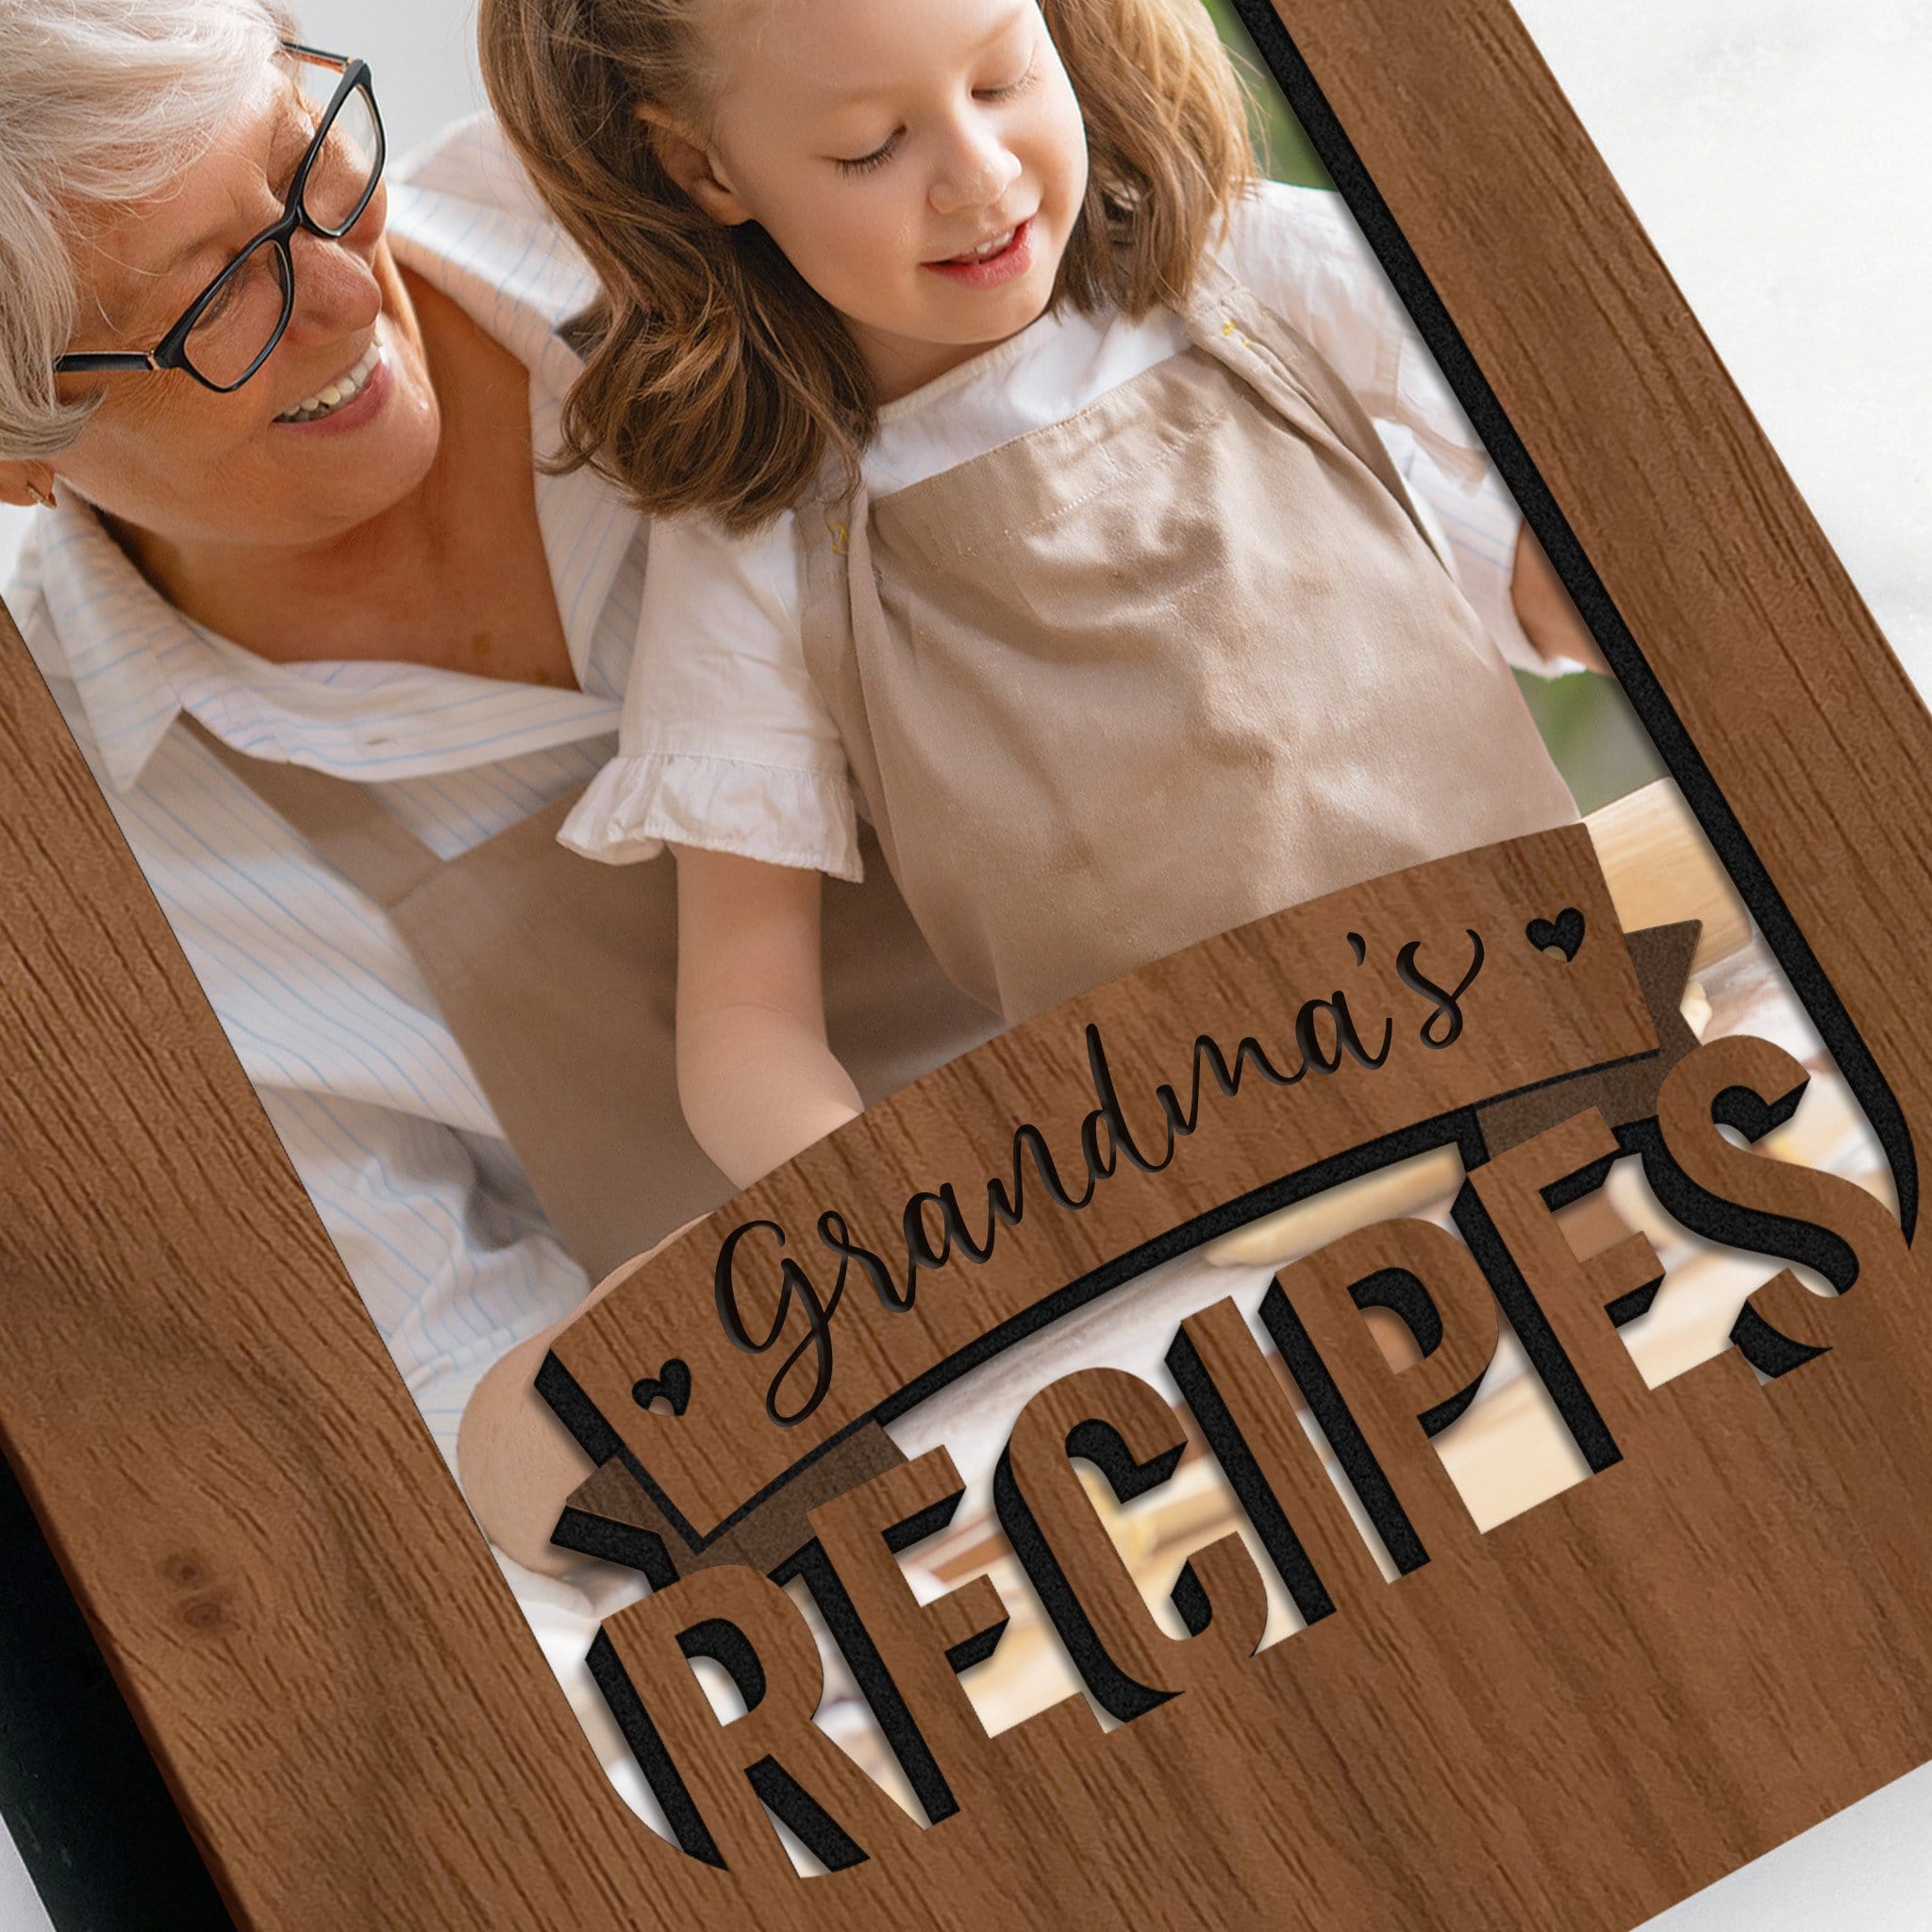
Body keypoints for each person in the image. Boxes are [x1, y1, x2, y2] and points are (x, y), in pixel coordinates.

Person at [0, 0, 1002, 1580]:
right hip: (894, 1517)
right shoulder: (89, 896)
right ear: (21, 451)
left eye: (308, 164)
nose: (342, 287)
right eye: (213, 304)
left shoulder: (730, 184)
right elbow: (450, 1388)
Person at [480, 0, 1607, 1193]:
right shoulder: (760, 539)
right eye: (871, 145)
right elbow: (743, 1028)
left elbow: (1573, 567)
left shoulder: (1255, 269)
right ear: (702, 168)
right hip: (1229, 1208)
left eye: (1005, 77)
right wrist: (910, 1217)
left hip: (1573, 1021)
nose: (977, 176)